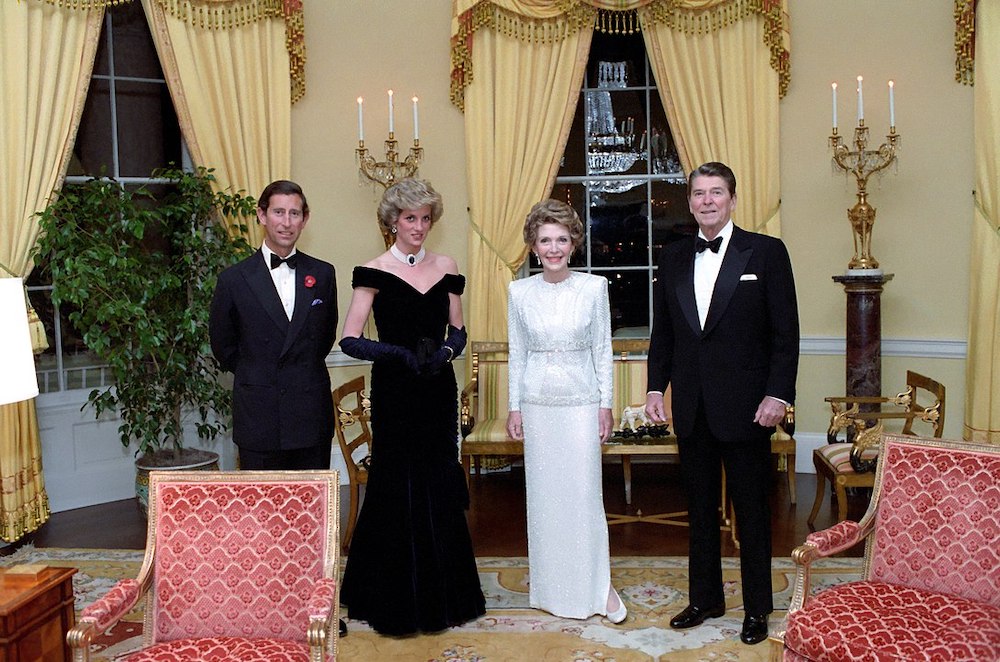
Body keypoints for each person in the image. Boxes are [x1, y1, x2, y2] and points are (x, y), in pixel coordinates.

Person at [644, 162, 799, 645]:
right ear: (689, 202)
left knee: (752, 512)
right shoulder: (671, 257)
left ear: (733, 199)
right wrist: (655, 388)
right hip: (691, 406)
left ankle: (756, 608)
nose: (707, 201)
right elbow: (664, 333)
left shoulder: (767, 252)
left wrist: (779, 395)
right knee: (700, 510)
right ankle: (705, 598)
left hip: (750, 406)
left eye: (716, 193)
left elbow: (785, 333)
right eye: (698, 194)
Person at [338, 178, 486, 636]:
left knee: (438, 480)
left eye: (425, 218)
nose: (418, 227)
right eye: (409, 218)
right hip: (396, 392)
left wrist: (445, 353)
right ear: (392, 221)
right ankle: (389, 595)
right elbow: (350, 338)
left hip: (437, 388)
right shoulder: (373, 270)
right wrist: (400, 356)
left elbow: (458, 332)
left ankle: (447, 593)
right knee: (395, 484)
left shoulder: (447, 266)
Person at [505, 199, 627, 624]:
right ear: (533, 247)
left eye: (561, 239)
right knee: (544, 499)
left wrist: (606, 405)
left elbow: (603, 350)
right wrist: (514, 407)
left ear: (573, 242)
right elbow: (517, 353)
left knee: (584, 497)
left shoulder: (594, 288)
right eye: (545, 240)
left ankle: (598, 586)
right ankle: (551, 588)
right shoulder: (518, 291)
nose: (553, 248)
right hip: (537, 406)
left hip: (581, 403)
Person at [209, 180, 338, 472]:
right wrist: (261, 373)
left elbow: (325, 336)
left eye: (294, 214)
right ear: (262, 215)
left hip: (309, 411)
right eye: (279, 212)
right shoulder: (233, 280)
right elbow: (223, 346)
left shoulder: (323, 274)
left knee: (310, 508)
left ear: (305, 219)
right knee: (261, 511)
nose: (286, 222)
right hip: (259, 415)